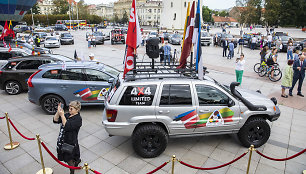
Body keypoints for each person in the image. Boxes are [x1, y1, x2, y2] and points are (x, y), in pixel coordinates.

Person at [53, 101, 82, 174]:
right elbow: (55, 120)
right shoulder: (67, 115)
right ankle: (77, 160)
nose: (69, 110)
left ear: (77, 110)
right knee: (69, 157)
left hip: (70, 142)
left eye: (71, 109)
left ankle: (72, 171)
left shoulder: (78, 119)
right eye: (69, 108)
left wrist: (62, 115)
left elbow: (67, 127)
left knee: (69, 159)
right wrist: (58, 112)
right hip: (63, 140)